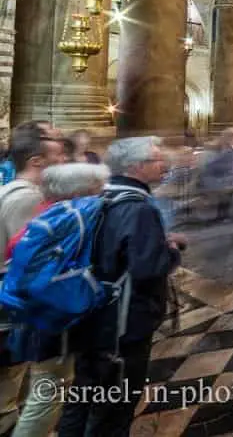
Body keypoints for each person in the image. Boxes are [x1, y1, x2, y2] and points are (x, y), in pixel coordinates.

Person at [58, 137, 185, 437]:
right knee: (116, 406)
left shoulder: (99, 195)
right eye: (157, 159)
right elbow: (148, 268)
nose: (163, 164)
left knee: (82, 396)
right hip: (124, 323)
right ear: (136, 166)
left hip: (90, 311)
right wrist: (172, 249)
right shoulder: (138, 207)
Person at [9, 162, 110, 437]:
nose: (103, 192)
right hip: (54, 319)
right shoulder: (75, 217)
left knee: (38, 384)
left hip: (30, 312)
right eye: (98, 187)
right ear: (84, 190)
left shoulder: (46, 215)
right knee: (47, 393)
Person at [0, 121, 65, 434]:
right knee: (35, 388)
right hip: (18, 308)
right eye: (55, 143)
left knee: (11, 387)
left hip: (13, 305)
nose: (63, 152)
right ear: (37, 159)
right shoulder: (26, 199)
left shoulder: (17, 192)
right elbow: (30, 263)